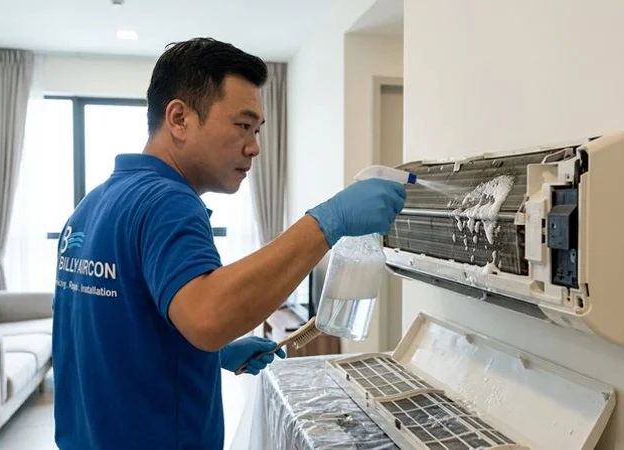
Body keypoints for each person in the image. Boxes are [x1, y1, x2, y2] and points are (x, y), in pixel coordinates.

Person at [51, 37, 406, 450]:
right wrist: (328, 222)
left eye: (257, 130)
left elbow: (108, 329)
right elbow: (208, 317)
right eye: (242, 125)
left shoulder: (93, 204)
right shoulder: (168, 201)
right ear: (180, 118)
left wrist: (208, 356)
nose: (254, 146)